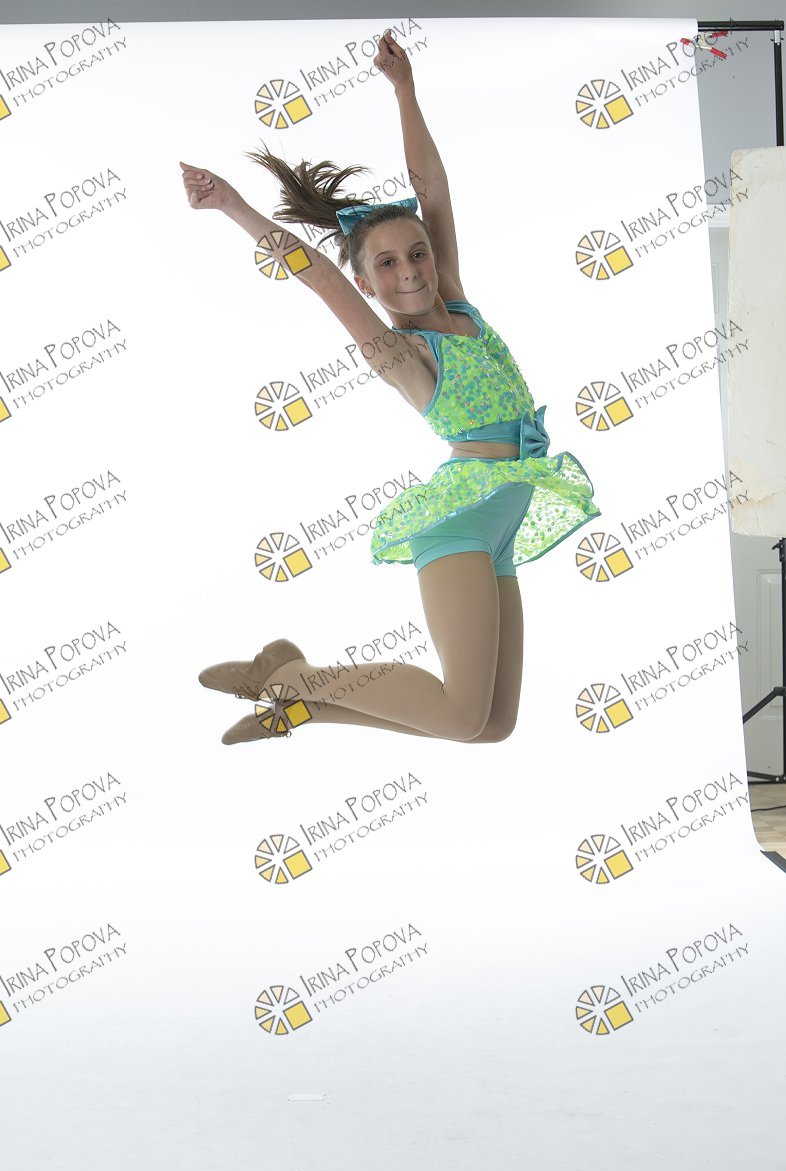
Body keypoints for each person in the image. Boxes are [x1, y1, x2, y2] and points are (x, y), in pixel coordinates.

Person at [181, 28, 601, 746]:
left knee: (492, 726)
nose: (408, 271)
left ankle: (297, 697)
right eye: (385, 265)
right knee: (461, 714)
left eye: (417, 254)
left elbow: (433, 191)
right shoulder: (401, 352)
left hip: (503, 517)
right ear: (366, 281)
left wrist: (404, 90)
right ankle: (293, 677)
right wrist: (232, 206)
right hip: (462, 519)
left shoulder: (459, 303)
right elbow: (317, 274)